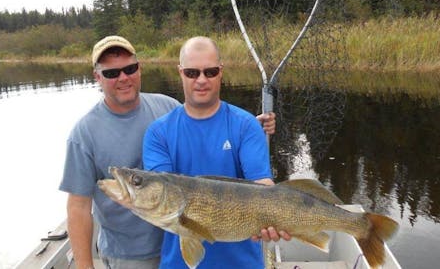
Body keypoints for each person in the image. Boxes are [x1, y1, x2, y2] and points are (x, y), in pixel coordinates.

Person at [59, 35, 277, 269]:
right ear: (97, 77)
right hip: (131, 252)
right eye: (112, 73)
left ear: (139, 69)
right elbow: (78, 206)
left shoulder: (165, 106)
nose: (123, 78)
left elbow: (201, 124)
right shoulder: (88, 133)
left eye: (130, 69)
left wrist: (249, 127)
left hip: (202, 246)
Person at [142, 36, 289, 269]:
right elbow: (164, 195)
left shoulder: (246, 125)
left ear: (221, 72)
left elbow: (262, 184)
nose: (201, 80)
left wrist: (275, 217)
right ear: (180, 73)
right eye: (192, 73)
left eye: (209, 72)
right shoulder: (158, 133)